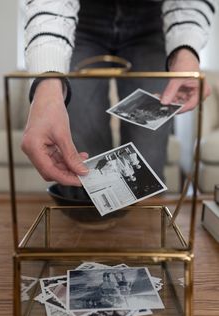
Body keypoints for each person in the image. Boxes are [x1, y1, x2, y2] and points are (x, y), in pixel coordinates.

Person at [22, 0, 216, 186]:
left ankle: (142, 218)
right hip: (79, 19)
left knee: (146, 164)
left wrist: (185, 49)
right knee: (83, 157)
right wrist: (47, 86)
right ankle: (89, 219)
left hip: (153, 21)